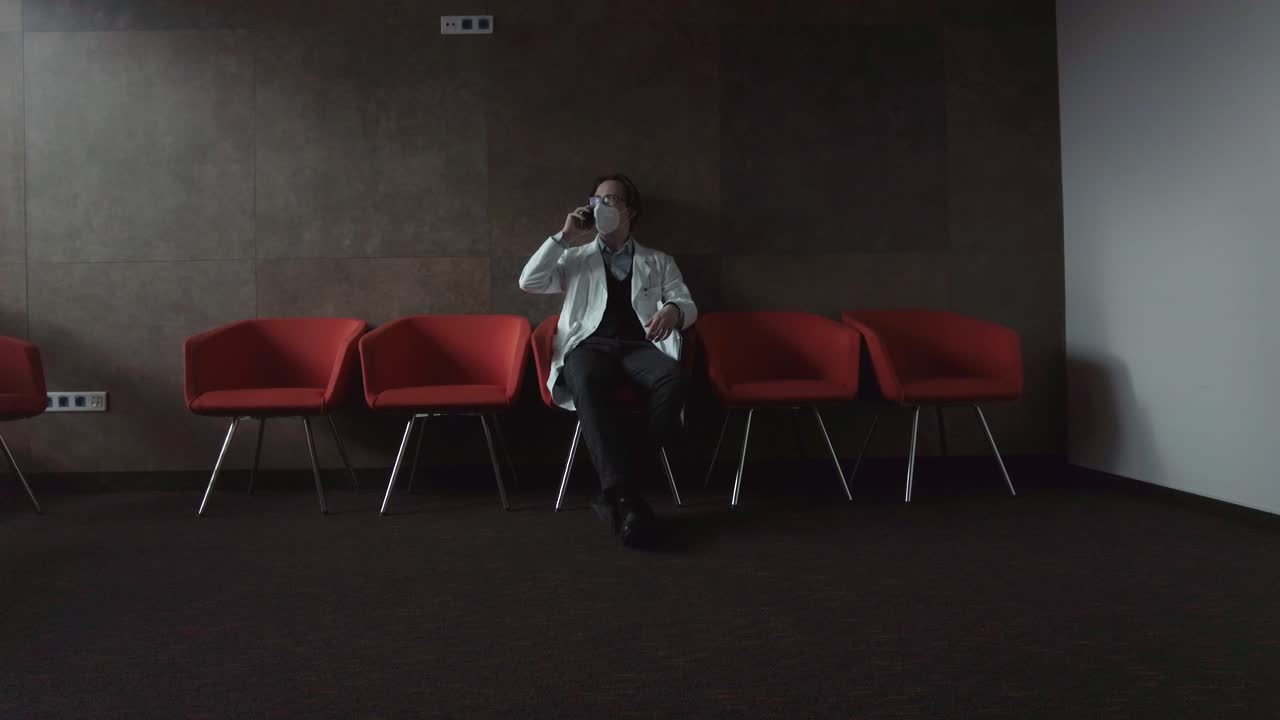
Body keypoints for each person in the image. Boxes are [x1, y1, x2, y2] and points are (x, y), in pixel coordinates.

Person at [519, 174, 697, 548]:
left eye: (612, 199)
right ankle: (628, 498)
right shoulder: (575, 258)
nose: (603, 205)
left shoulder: (657, 260)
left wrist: (673, 310)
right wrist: (565, 235)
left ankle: (617, 491)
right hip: (590, 347)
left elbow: (686, 303)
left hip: (640, 348)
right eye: (597, 199)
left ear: (630, 211)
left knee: (674, 378)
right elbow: (529, 281)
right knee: (584, 380)